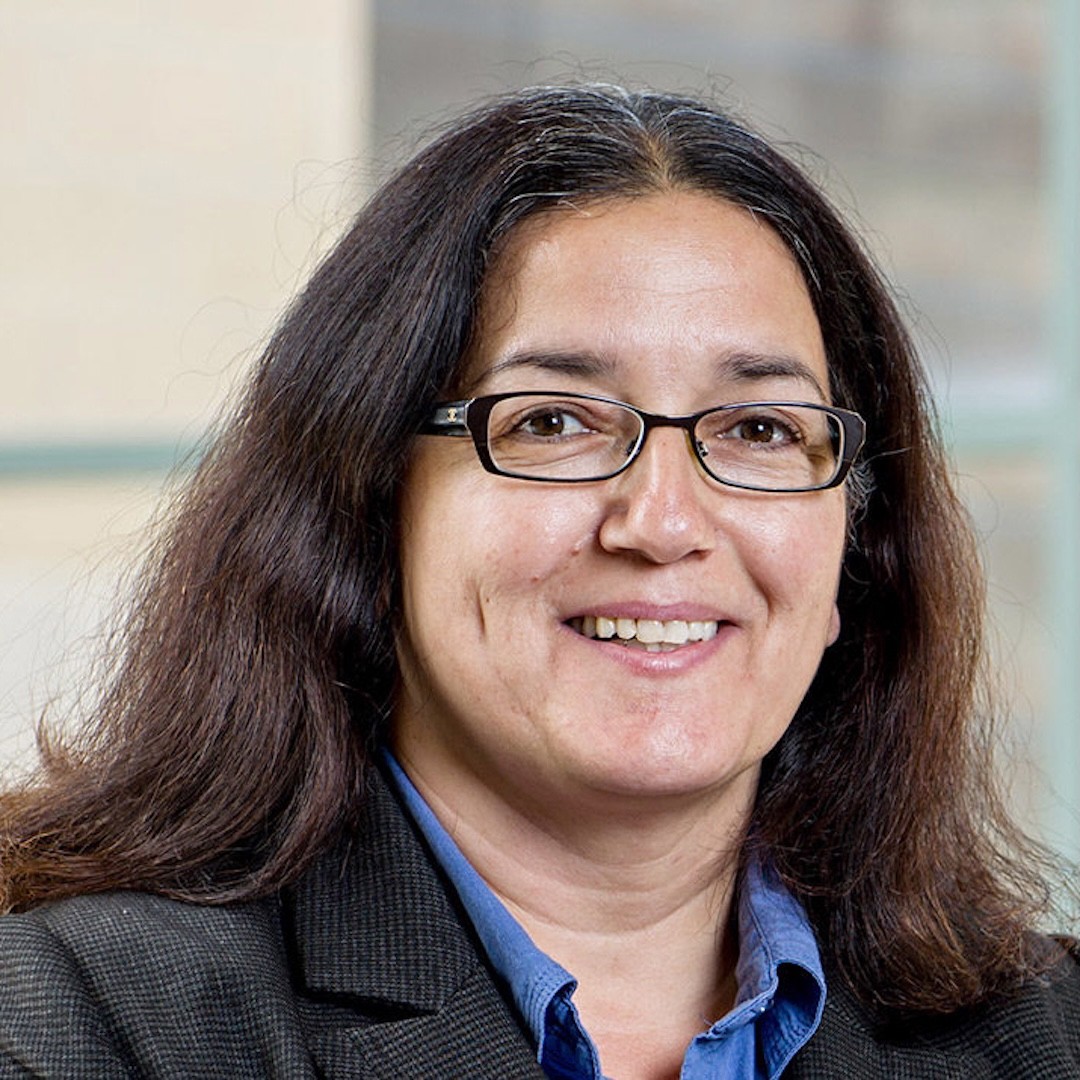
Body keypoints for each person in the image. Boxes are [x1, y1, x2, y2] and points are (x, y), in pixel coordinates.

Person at [0, 84, 1076, 1079]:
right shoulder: (85, 1022)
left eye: (759, 429)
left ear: (855, 550)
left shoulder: (1047, 1035)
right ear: (368, 514)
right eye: (553, 422)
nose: (662, 525)